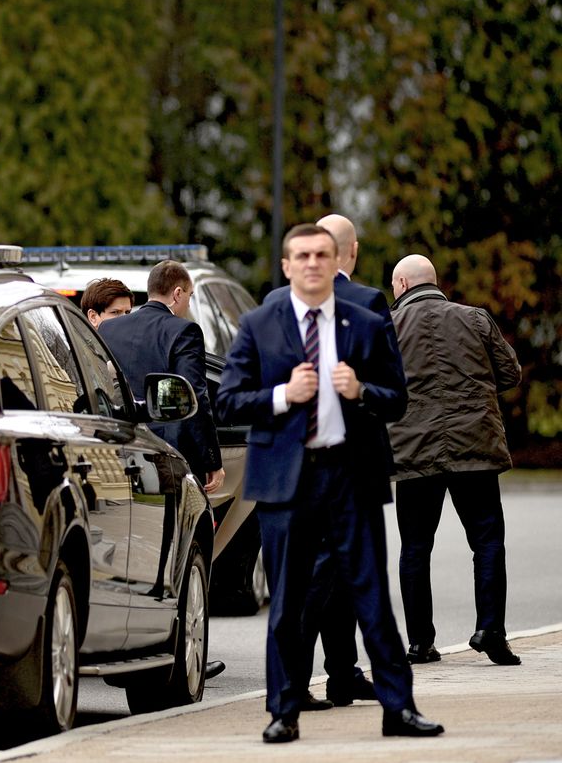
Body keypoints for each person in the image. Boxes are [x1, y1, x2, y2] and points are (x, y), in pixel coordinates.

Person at [217, 223, 442, 743]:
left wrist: (360, 389)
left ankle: (399, 709)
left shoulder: (364, 322)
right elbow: (228, 400)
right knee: (287, 604)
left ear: (335, 258)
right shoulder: (259, 324)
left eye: (322, 253)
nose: (313, 263)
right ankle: (283, 712)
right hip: (286, 482)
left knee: (371, 597)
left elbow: (399, 399)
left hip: (350, 476)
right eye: (302, 255)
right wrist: (281, 394)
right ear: (287, 265)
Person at [264, 213, 384, 708]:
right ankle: (294, 678)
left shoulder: (273, 302)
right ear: (349, 253)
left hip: (290, 465)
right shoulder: (369, 303)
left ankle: (341, 672)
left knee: (327, 575)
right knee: (324, 578)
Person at [388, 253, 522, 667]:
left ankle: (420, 642)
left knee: (414, 547)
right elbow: (511, 373)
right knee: (487, 542)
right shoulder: (475, 319)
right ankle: (490, 629)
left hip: (414, 452)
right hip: (475, 448)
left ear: (403, 285)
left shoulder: (389, 328)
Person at [100, 260, 227, 681]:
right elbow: (194, 399)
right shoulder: (183, 332)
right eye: (188, 297)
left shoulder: (109, 330)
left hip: (114, 453)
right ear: (176, 294)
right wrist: (210, 460)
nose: (187, 306)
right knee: (185, 555)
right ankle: (185, 648)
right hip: (166, 460)